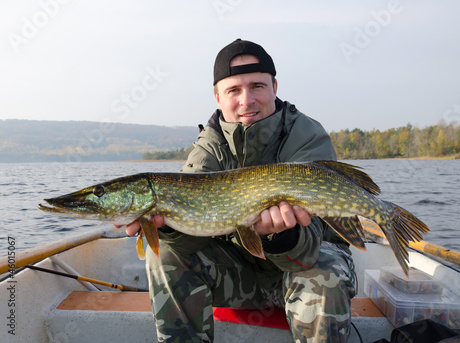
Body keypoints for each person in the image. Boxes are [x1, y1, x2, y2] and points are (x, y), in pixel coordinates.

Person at [125, 39, 357, 343]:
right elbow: (193, 233)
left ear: (274, 87)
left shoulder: (306, 135)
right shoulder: (208, 148)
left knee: (325, 272)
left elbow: (312, 243)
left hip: (300, 267)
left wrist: (279, 236)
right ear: (217, 97)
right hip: (239, 278)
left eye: (257, 86)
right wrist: (167, 228)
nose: (246, 100)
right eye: (234, 90)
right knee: (164, 253)